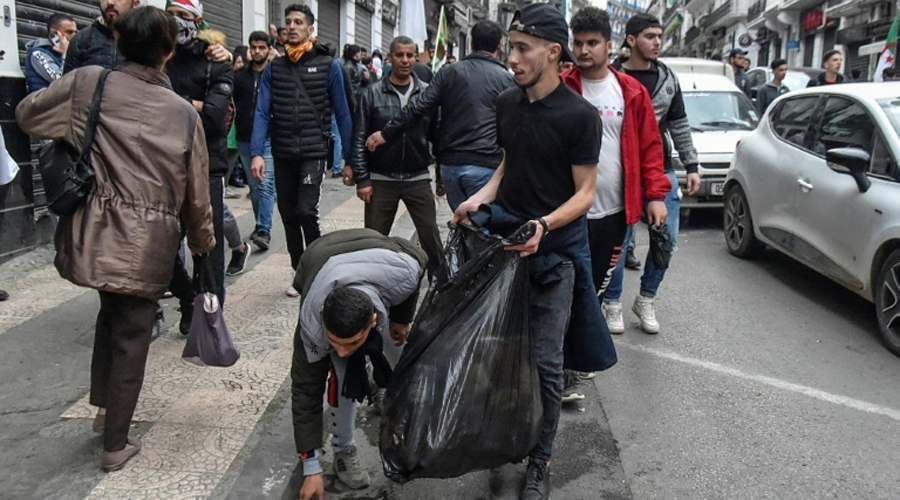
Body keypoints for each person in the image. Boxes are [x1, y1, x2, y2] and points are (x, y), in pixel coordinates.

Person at [17, 6, 214, 471]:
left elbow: (27, 114)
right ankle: (115, 443)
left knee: (111, 312)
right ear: (168, 52)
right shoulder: (183, 113)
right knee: (131, 332)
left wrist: (74, 126)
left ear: (120, 43)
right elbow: (197, 193)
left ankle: (106, 409)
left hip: (95, 228)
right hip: (150, 241)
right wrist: (202, 244)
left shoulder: (89, 82)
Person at [453, 4, 616, 498]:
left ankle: (540, 459)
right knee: (501, 350)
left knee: (546, 362)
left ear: (552, 52)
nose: (512, 58)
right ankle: (505, 433)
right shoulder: (506, 102)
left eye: (523, 49)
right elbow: (509, 163)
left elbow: (585, 194)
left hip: (556, 254)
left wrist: (543, 225)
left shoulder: (580, 117)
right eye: (511, 47)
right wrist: (480, 198)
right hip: (508, 244)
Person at [561, 6, 669, 395]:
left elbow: (650, 147)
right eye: (578, 43)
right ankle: (563, 361)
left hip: (613, 211)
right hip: (568, 211)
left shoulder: (631, 92)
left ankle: (575, 357)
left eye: (592, 43)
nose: (583, 50)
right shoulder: (562, 87)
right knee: (567, 286)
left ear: (609, 45)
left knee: (594, 288)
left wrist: (655, 195)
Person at [291, 228, 426, 498]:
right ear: (323, 313)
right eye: (335, 341)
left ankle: (383, 390)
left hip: (375, 252)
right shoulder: (312, 325)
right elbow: (306, 390)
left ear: (373, 321)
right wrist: (312, 468)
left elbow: (420, 258)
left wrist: (401, 318)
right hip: (317, 258)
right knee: (343, 375)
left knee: (399, 351)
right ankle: (344, 449)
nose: (341, 351)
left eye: (352, 342)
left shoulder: (403, 272)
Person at [250, 3, 352, 297]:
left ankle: (318, 268)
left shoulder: (329, 66)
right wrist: (257, 152)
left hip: (313, 152)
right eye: (288, 22)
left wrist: (349, 159)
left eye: (298, 22)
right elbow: (261, 112)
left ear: (310, 28)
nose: (292, 26)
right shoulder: (274, 68)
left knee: (306, 210)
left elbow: (344, 114)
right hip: (282, 152)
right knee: (288, 214)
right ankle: (299, 273)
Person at [608, 13, 700, 335]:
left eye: (659, 36)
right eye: (650, 36)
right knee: (618, 243)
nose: (657, 42)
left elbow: (680, 124)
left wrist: (691, 165)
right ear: (631, 40)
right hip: (619, 168)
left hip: (661, 167)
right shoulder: (612, 77)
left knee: (667, 240)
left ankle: (646, 298)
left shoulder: (667, 78)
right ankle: (612, 302)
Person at [366, 20, 515, 211]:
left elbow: (418, 106)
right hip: (486, 164)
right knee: (482, 222)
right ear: (500, 45)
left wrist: (386, 133)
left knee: (462, 221)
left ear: (471, 43)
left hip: (451, 166)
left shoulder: (449, 72)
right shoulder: (507, 80)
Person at [164, 0, 246, 302]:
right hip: (164, 162)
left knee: (207, 245)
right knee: (164, 242)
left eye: (183, 16)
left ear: (198, 21)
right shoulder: (157, 56)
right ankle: (187, 300)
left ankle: (210, 311)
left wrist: (172, 102)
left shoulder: (216, 61)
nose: (176, 22)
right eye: (171, 15)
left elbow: (213, 117)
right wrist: (194, 104)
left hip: (207, 164)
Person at [348, 36, 442, 277]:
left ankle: (441, 286)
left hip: (417, 177)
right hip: (381, 179)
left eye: (410, 55)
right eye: (399, 55)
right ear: (390, 58)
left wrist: (441, 176)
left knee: (431, 238)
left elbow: (438, 137)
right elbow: (359, 137)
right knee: (374, 241)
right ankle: (371, 284)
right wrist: (362, 179)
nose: (405, 60)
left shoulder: (427, 94)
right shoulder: (371, 94)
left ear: (416, 58)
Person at [63, 0, 231, 74]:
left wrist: (226, 55)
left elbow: (185, 53)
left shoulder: (149, 36)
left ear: (136, 2)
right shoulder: (83, 40)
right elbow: (67, 91)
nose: (110, 2)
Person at [234, 31, 277, 251]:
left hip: (269, 137)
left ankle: (264, 229)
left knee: (266, 183)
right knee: (254, 185)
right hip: (244, 137)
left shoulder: (275, 75)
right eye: (254, 47)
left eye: (262, 47)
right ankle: (260, 222)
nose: (257, 51)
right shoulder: (240, 76)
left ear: (269, 49)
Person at [24, 13, 77, 93]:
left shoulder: (63, 53)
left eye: (75, 32)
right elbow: (60, 81)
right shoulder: (38, 54)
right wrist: (66, 54)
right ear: (54, 34)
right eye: (69, 32)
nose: (74, 36)